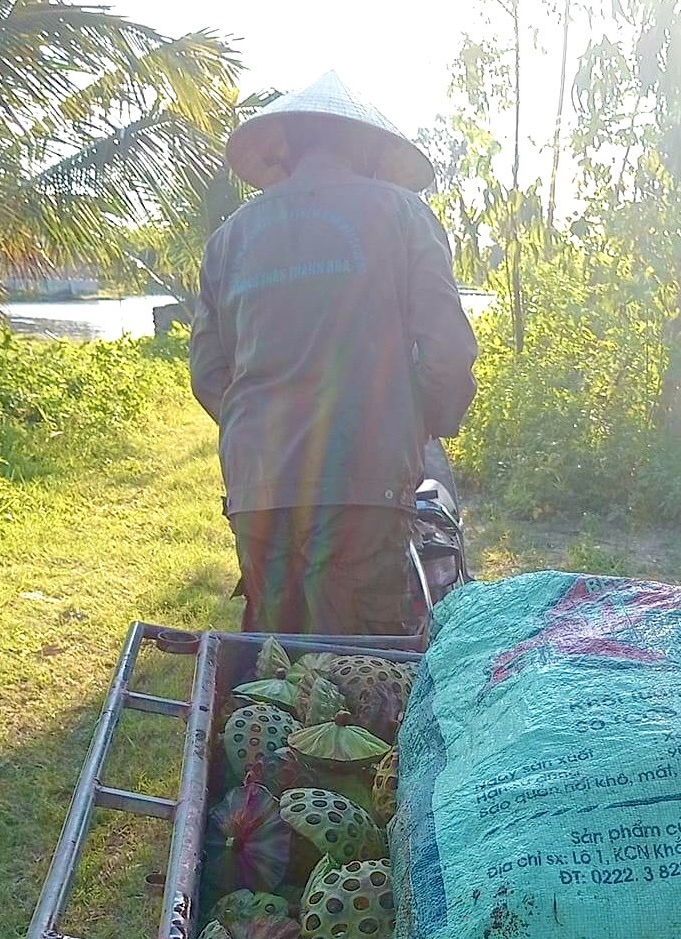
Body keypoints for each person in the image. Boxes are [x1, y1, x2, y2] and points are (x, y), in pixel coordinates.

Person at [189, 73, 478, 635]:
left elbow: (207, 371)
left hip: (258, 487)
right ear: (369, 148)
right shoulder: (403, 215)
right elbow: (447, 349)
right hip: (364, 482)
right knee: (358, 670)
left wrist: (262, 429)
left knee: (274, 659)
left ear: (288, 149)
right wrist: (416, 425)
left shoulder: (230, 238)